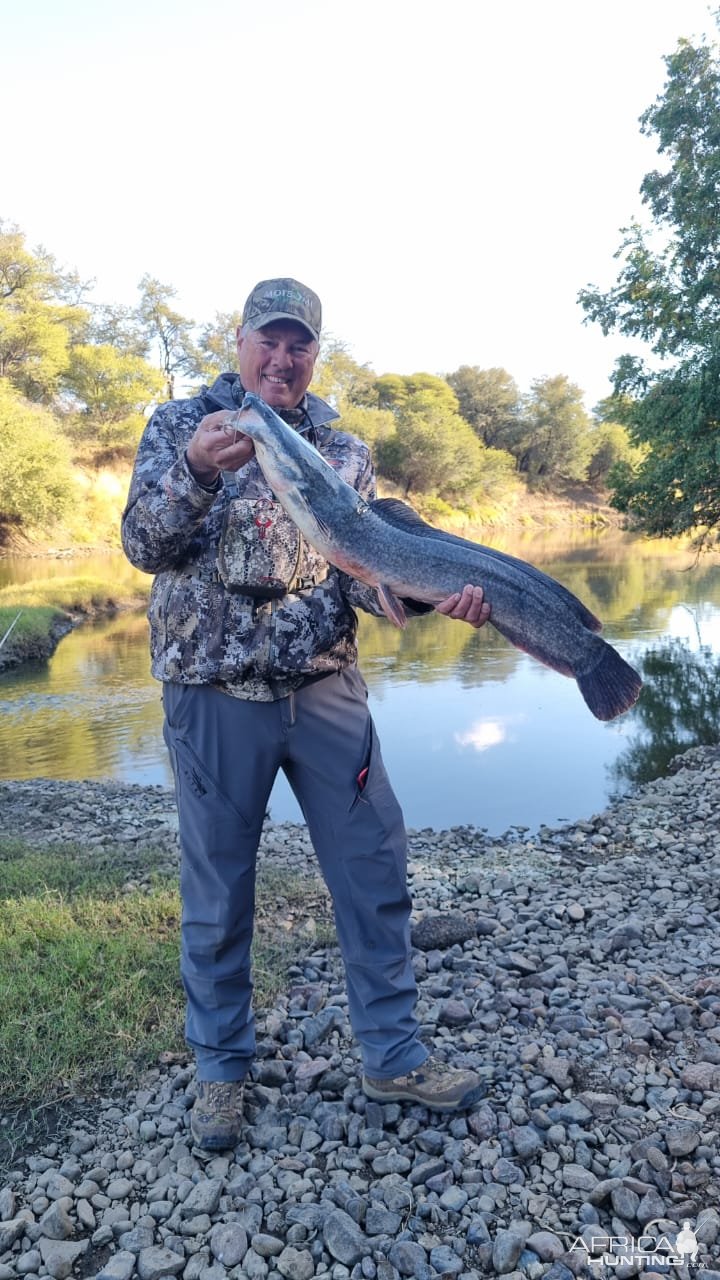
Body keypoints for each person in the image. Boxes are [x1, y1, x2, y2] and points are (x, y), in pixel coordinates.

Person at [122, 277, 491, 1150]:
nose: (282, 359)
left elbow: (362, 577)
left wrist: (436, 594)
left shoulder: (343, 449)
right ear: (239, 339)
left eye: (301, 345)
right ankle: (220, 1074)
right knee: (217, 895)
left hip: (324, 691)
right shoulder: (180, 427)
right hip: (210, 694)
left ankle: (394, 1055)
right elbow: (144, 544)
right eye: (269, 340)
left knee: (374, 872)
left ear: (316, 354)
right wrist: (197, 476)